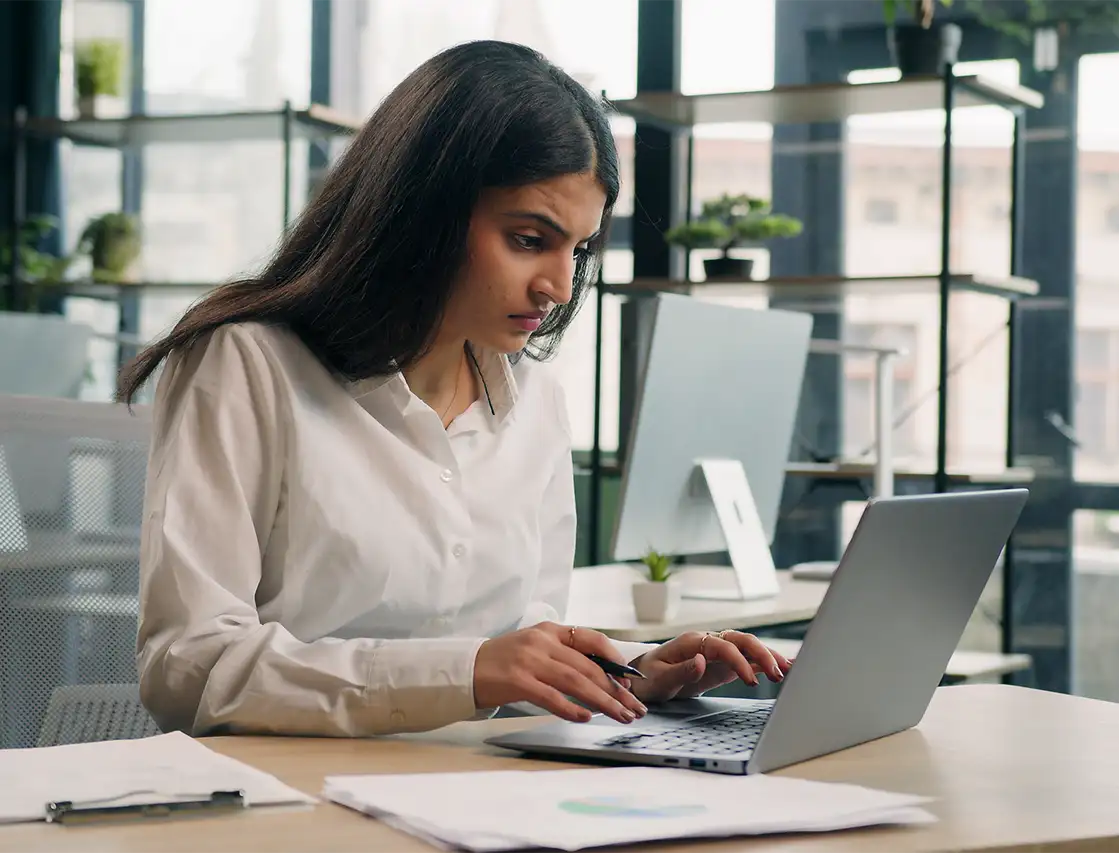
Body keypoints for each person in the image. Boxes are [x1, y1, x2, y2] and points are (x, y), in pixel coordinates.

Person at [118, 40, 789, 739]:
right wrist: (466, 672)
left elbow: (519, 645)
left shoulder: (536, 401)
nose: (559, 287)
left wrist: (629, 674)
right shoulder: (247, 364)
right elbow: (187, 667)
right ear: (422, 210)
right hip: (294, 803)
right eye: (530, 238)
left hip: (472, 795)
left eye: (579, 250)